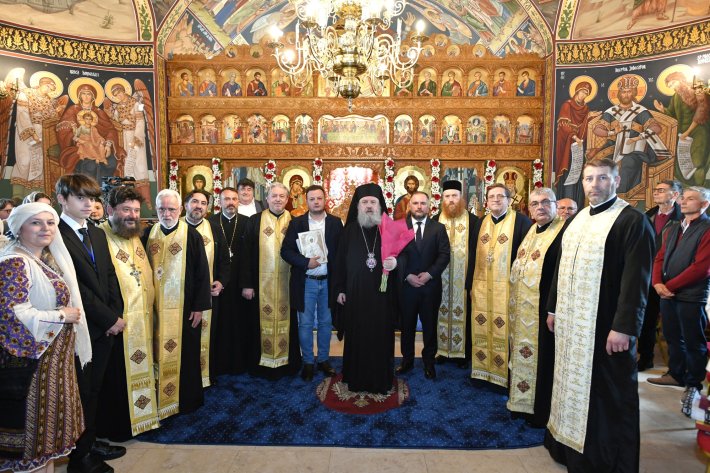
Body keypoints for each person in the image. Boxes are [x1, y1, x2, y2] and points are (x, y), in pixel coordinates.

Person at [545, 158, 654, 472]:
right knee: (570, 386)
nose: (595, 184)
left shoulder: (632, 221)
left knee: (608, 394)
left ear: (616, 181)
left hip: (606, 327)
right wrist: (553, 308)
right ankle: (567, 449)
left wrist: (624, 328)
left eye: (602, 178)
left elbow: (637, 281)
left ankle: (604, 460)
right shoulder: (577, 219)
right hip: (572, 326)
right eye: (589, 178)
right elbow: (561, 268)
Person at [0, 202, 91, 473]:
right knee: (35, 444)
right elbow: (12, 316)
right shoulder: (14, 262)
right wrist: (62, 315)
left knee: (49, 445)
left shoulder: (41, 259)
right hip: (33, 368)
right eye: (36, 223)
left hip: (54, 367)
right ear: (19, 228)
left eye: (50, 223)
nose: (45, 228)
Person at [56, 174, 125, 473]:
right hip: (81, 327)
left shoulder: (96, 233)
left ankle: (91, 442)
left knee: (97, 390)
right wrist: (108, 318)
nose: (89, 204)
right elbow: (74, 287)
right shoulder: (56, 235)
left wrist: (116, 314)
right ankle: (80, 457)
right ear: (62, 199)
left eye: (93, 198)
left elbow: (109, 275)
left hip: (106, 326)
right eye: (81, 197)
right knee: (82, 393)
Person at [96, 186, 160, 442]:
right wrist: (109, 317)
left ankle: (142, 419)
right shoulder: (99, 237)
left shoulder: (134, 235)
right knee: (117, 378)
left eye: (136, 210)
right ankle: (121, 426)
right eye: (126, 210)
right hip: (116, 323)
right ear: (110, 210)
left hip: (141, 319)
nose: (133, 215)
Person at [146, 189, 211, 418]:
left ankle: (186, 401)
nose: (166, 214)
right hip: (154, 310)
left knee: (186, 354)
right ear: (156, 210)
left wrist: (198, 307)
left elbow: (203, 273)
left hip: (185, 310)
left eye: (171, 209)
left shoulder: (191, 235)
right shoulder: (148, 234)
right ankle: (158, 400)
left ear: (180, 209)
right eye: (162, 209)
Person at [649, 186, 710, 417]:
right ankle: (676, 374)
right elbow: (660, 257)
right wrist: (657, 283)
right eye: (683, 198)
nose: (683, 202)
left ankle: (693, 383)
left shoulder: (707, 228)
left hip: (691, 295)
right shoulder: (674, 227)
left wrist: (669, 286)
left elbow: (701, 268)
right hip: (667, 294)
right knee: (672, 336)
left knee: (693, 341)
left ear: (704, 204)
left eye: (691, 199)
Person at [507, 188, 565, 428]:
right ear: (529, 209)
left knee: (542, 359)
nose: (540, 207)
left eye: (545, 202)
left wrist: (553, 309)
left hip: (544, 310)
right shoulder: (533, 230)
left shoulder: (563, 232)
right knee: (521, 355)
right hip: (522, 310)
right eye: (535, 204)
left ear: (555, 205)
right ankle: (520, 403)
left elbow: (561, 276)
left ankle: (538, 410)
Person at [334, 183, 398, 394]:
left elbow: (403, 257)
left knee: (380, 335)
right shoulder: (349, 231)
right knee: (357, 334)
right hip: (355, 294)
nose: (369, 206)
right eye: (365, 202)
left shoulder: (389, 230)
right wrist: (340, 289)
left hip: (382, 295)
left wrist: (396, 263)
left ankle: (381, 378)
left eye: (373, 202)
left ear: (380, 206)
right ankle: (355, 377)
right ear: (358, 206)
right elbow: (339, 263)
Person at [470, 183, 532, 387]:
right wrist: (470, 285)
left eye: (500, 196)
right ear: (486, 201)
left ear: (509, 200)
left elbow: (525, 259)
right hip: (481, 287)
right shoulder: (480, 223)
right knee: (481, 324)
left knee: (505, 330)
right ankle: (482, 372)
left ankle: (503, 377)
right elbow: (472, 255)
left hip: (508, 290)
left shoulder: (521, 222)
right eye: (492, 197)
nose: (496, 200)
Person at [281, 185, 343, 381]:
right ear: (306, 201)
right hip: (306, 281)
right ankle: (308, 362)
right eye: (312, 199)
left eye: (319, 198)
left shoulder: (335, 223)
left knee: (326, 323)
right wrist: (305, 262)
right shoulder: (297, 223)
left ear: (325, 200)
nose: (316, 202)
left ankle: (323, 360)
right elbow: (286, 251)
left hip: (328, 282)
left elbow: (341, 254)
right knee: (305, 323)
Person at [239, 182, 301, 379]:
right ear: (267, 198)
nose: (278, 199)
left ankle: (286, 363)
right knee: (258, 324)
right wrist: (247, 284)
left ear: (287, 199)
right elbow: (245, 254)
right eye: (274, 196)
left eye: (282, 196)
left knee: (288, 323)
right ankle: (261, 365)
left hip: (287, 285)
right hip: (260, 286)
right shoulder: (255, 221)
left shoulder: (295, 222)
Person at [396, 192, 450, 380]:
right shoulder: (399, 227)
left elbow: (444, 255)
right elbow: (394, 255)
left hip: (430, 287)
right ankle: (407, 361)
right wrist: (407, 275)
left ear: (429, 206)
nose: (419, 206)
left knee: (430, 326)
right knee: (407, 326)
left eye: (423, 203)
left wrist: (429, 274)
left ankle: (429, 362)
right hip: (407, 287)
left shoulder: (438, 228)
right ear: (409, 205)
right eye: (415, 203)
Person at [589, 75, 669, 193]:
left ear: (634, 93)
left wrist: (640, 136)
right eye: (623, 92)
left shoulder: (640, 111)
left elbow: (656, 127)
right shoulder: (611, 112)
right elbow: (597, 129)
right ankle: (602, 193)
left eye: (629, 91)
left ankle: (620, 194)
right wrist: (612, 132)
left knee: (628, 161)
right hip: (613, 147)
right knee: (601, 164)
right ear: (619, 94)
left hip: (635, 149)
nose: (626, 94)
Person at [183, 189, 230, 387]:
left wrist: (221, 282)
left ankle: (206, 375)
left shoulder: (214, 229)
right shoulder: (176, 227)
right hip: (182, 296)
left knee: (208, 336)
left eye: (203, 203)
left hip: (209, 294)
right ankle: (187, 378)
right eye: (195, 202)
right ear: (185, 205)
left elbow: (225, 261)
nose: (199, 206)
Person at [433, 180, 477, 368]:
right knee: (439, 312)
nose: (451, 200)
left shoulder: (473, 221)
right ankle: (442, 351)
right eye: (447, 196)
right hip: (439, 280)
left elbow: (476, 253)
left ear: (461, 197)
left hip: (464, 281)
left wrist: (471, 281)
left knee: (464, 314)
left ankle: (462, 354)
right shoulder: (435, 220)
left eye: (454, 196)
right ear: (442, 198)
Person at [639, 180, 682, 372]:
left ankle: (676, 367)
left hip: (672, 278)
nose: (656, 192)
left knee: (673, 325)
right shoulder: (647, 216)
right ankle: (645, 358)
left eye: (661, 190)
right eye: (655, 190)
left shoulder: (682, 218)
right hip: (647, 277)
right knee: (646, 321)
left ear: (675, 195)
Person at [210, 187, 251, 375]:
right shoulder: (210, 222)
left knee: (239, 322)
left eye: (234, 199)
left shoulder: (246, 222)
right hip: (217, 280)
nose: (231, 203)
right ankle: (218, 363)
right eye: (226, 199)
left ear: (238, 201)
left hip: (239, 281)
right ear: (219, 201)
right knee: (219, 322)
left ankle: (239, 363)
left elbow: (250, 255)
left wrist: (247, 283)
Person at [57, 82, 124, 181]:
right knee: (90, 165)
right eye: (83, 94)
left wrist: (108, 144)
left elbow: (111, 129)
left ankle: (104, 188)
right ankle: (87, 188)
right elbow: (64, 131)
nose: (86, 96)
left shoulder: (99, 112)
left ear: (93, 97)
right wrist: (77, 138)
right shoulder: (72, 110)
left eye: (89, 94)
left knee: (111, 162)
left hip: (98, 144)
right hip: (79, 146)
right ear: (79, 96)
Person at [654, 72, 710, 187]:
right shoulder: (676, 97)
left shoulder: (697, 92)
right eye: (670, 86)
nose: (673, 87)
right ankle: (689, 188)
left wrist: (688, 132)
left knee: (697, 161)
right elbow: (673, 114)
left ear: (681, 80)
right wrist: (663, 110)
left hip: (698, 132)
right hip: (683, 135)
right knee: (682, 164)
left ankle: (700, 189)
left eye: (673, 83)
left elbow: (701, 113)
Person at [10, 75, 63, 197]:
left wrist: (57, 113)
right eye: (48, 86)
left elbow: (54, 118)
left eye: (51, 89)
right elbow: (22, 114)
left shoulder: (50, 101)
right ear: (41, 84)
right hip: (26, 133)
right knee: (25, 161)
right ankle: (18, 194)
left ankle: (36, 195)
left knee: (39, 163)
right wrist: (32, 133)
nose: (49, 90)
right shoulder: (26, 94)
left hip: (44, 135)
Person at [107, 83, 152, 206]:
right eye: (116, 95)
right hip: (123, 137)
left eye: (120, 93)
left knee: (139, 165)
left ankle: (146, 199)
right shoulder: (117, 108)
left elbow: (140, 121)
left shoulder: (136, 103)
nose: (119, 96)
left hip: (135, 137)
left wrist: (136, 138)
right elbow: (115, 123)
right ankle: (128, 197)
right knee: (127, 164)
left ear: (124, 91)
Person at [555, 81, 591, 204]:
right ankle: (566, 202)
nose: (584, 95)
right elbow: (564, 125)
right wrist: (574, 137)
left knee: (578, 171)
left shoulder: (586, 109)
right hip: (567, 144)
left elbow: (584, 126)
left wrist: (590, 117)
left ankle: (577, 203)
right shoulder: (567, 105)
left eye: (586, 93)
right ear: (577, 91)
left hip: (579, 145)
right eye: (582, 92)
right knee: (568, 170)